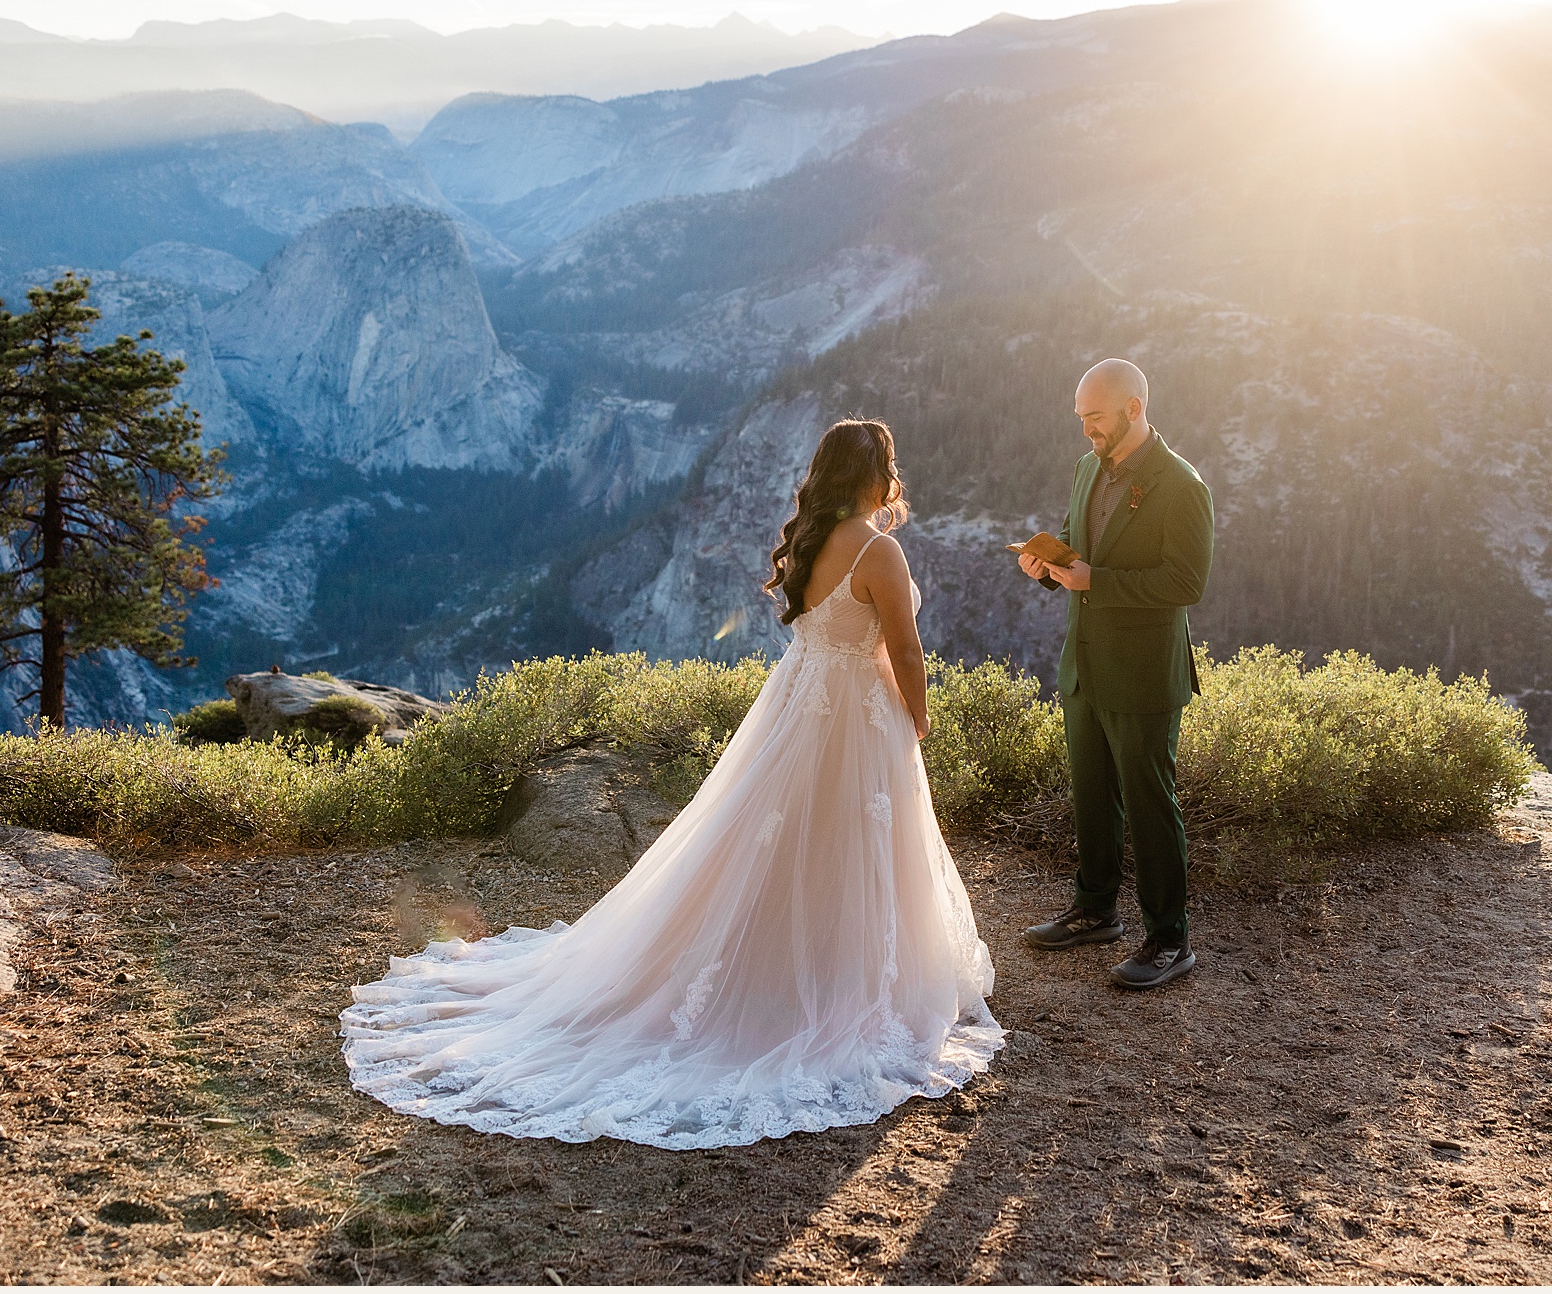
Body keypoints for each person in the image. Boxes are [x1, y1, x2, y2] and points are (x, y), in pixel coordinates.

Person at [341, 419, 1001, 1148]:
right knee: (850, 845)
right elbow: (904, 649)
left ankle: (777, 973)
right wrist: (920, 719)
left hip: (795, 706)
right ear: (875, 476)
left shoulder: (811, 542)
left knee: (774, 845)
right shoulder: (879, 550)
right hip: (856, 719)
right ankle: (831, 985)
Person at [1016, 358, 1214, 990]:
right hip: (1086, 666)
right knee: (1092, 794)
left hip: (1145, 674)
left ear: (1133, 408)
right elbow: (1079, 548)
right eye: (1080, 419)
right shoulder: (1085, 470)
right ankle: (1095, 911)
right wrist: (1048, 568)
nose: (1085, 432)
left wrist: (1095, 580)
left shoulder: (1182, 486)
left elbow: (1187, 583)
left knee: (1152, 803)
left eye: (1094, 418)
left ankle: (1168, 939)